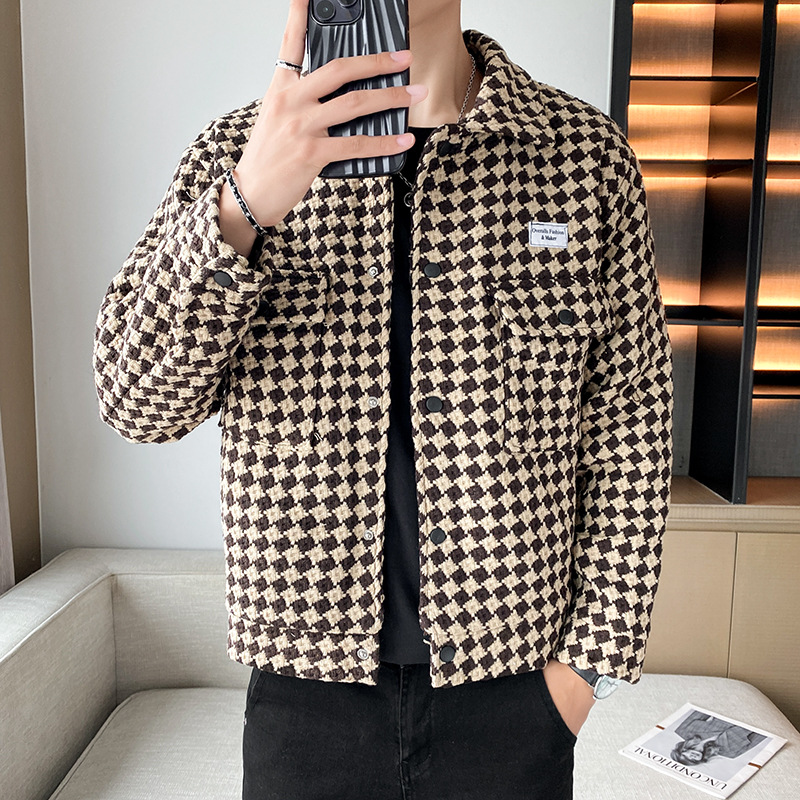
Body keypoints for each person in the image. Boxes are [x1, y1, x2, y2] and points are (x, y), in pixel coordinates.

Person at [92, 0, 673, 797]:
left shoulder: (581, 156)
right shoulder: (237, 153)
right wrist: (245, 204)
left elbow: (632, 424)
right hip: (305, 692)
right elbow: (136, 402)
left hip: (515, 692)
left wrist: (586, 671)